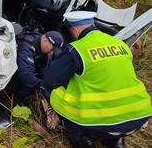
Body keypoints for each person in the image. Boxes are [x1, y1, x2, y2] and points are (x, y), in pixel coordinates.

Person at [43, 11, 152, 148]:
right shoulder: (120, 43)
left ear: (75, 30)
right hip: (140, 115)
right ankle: (116, 141)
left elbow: (50, 79)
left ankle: (82, 141)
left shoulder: (77, 49)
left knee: (50, 89)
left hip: (100, 123)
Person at [7, 30, 64, 101]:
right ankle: (14, 101)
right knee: (29, 84)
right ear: (45, 40)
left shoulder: (44, 49)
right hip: (11, 76)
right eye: (52, 49)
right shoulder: (27, 46)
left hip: (25, 72)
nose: (52, 53)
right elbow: (25, 74)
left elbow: (44, 69)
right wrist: (42, 85)